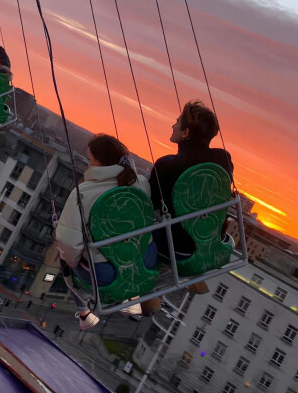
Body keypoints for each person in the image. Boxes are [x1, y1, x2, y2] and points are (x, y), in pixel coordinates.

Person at [55, 134, 158, 330]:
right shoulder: (141, 183)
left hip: (107, 274)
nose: (87, 165)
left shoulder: (83, 193)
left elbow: (68, 244)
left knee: (64, 255)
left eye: (89, 160)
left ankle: (85, 314)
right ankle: (137, 299)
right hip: (146, 261)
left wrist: (75, 261)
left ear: (100, 163)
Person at [149, 100, 234, 293]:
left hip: (177, 250)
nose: (172, 126)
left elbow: (151, 207)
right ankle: (194, 276)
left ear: (186, 132)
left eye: (177, 122)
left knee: (135, 231)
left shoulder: (166, 165)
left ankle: (146, 290)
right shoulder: (223, 160)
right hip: (212, 247)